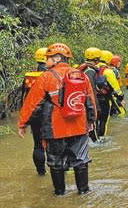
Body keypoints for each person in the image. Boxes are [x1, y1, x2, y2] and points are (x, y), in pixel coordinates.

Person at [17, 43, 97, 195]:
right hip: (79, 127)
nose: (46, 61)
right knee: (81, 161)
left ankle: (60, 194)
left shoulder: (46, 77)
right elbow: (90, 101)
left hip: (55, 129)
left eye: (48, 58)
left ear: (57, 58)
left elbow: (32, 104)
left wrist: (22, 123)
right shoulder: (82, 75)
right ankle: (83, 193)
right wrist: (91, 121)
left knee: (56, 163)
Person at [19, 47, 48, 175]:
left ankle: (41, 172)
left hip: (34, 115)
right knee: (56, 143)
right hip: (50, 113)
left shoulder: (28, 76)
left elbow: (23, 98)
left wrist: (23, 120)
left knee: (38, 145)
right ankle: (60, 170)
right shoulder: (52, 75)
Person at [95, 49, 124, 140]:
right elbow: (116, 89)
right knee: (104, 120)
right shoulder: (108, 71)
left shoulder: (91, 68)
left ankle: (94, 138)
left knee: (95, 121)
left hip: (93, 99)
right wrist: (120, 98)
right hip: (104, 99)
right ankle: (102, 138)